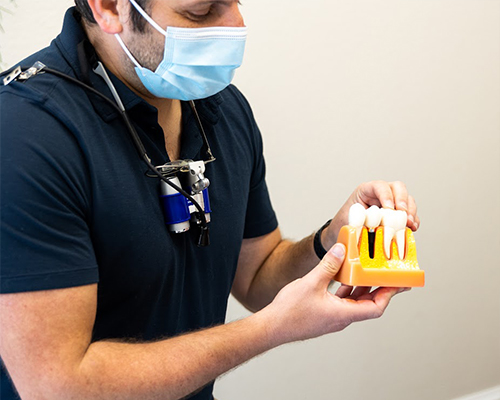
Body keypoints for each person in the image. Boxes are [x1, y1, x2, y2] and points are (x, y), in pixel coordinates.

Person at [0, 1, 420, 399]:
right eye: (200, 11)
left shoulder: (220, 109)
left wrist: (333, 239)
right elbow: (59, 387)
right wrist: (270, 330)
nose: (235, 26)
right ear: (109, 7)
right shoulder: (25, 136)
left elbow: (257, 278)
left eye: (236, 2)